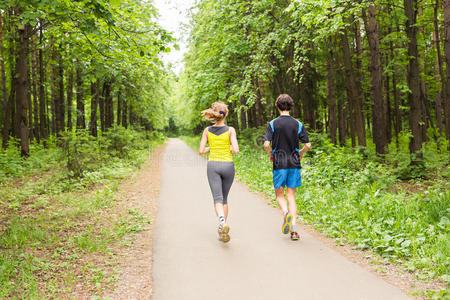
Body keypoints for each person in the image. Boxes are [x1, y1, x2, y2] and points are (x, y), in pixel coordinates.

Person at [263, 94, 311, 240]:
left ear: (277, 106)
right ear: (290, 106)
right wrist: (301, 152)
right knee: (291, 195)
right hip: (294, 162)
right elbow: (307, 144)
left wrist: (271, 153)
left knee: (279, 195)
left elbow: (266, 144)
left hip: (279, 162)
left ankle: (285, 214)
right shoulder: (298, 124)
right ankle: (294, 230)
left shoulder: (273, 124)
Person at [199, 102, 239, 243]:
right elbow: (235, 150)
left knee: (217, 199)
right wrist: (226, 147)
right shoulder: (231, 130)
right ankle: (222, 229)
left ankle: (222, 223)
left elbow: (201, 151)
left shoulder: (207, 131)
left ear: (213, 114)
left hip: (213, 166)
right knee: (225, 199)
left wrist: (210, 148)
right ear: (225, 114)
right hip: (228, 165)